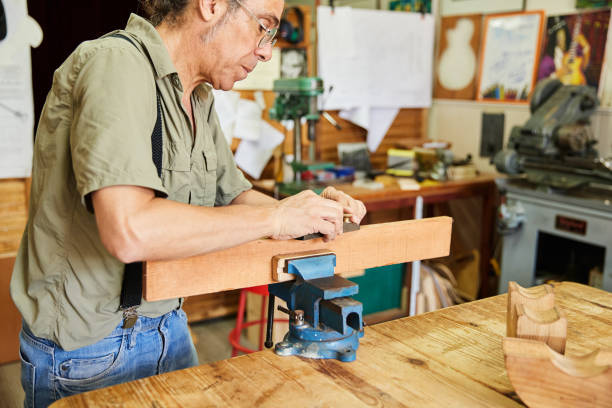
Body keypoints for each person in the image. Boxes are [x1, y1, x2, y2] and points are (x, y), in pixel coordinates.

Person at [10, 0, 366, 406]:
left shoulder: (197, 98)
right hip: (92, 348)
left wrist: (311, 213)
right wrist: (277, 217)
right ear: (212, 5)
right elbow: (130, 230)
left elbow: (233, 195)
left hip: (168, 324)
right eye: (264, 27)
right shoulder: (116, 66)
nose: (267, 50)